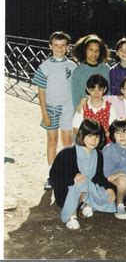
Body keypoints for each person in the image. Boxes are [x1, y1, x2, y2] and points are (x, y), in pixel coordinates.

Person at [49, 119, 116, 230]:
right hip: (67, 193)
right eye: (89, 136)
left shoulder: (98, 155)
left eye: (97, 137)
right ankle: (72, 216)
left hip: (87, 190)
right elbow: (53, 175)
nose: (93, 140)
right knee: (81, 182)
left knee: (108, 195)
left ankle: (87, 204)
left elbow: (99, 177)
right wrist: (72, 176)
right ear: (82, 135)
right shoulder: (67, 153)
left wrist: (110, 188)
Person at [32, 31, 77, 190]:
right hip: (50, 108)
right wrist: (44, 113)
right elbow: (41, 92)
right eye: (56, 45)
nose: (59, 48)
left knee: (67, 141)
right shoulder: (45, 66)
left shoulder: (72, 66)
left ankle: (67, 172)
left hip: (67, 108)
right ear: (50, 46)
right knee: (52, 140)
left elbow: (75, 88)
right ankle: (51, 175)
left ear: (67, 47)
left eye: (63, 45)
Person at [71, 34, 110, 110]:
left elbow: (109, 93)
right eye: (91, 50)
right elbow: (75, 96)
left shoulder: (106, 69)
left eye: (97, 50)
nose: (94, 53)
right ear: (84, 50)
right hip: (84, 111)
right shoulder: (78, 71)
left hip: (103, 111)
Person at [72, 74, 116, 142]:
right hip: (87, 143)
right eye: (92, 90)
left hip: (104, 143)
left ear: (104, 89)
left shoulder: (109, 107)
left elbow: (113, 129)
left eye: (99, 90)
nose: (96, 93)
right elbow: (76, 129)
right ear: (88, 90)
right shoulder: (83, 106)